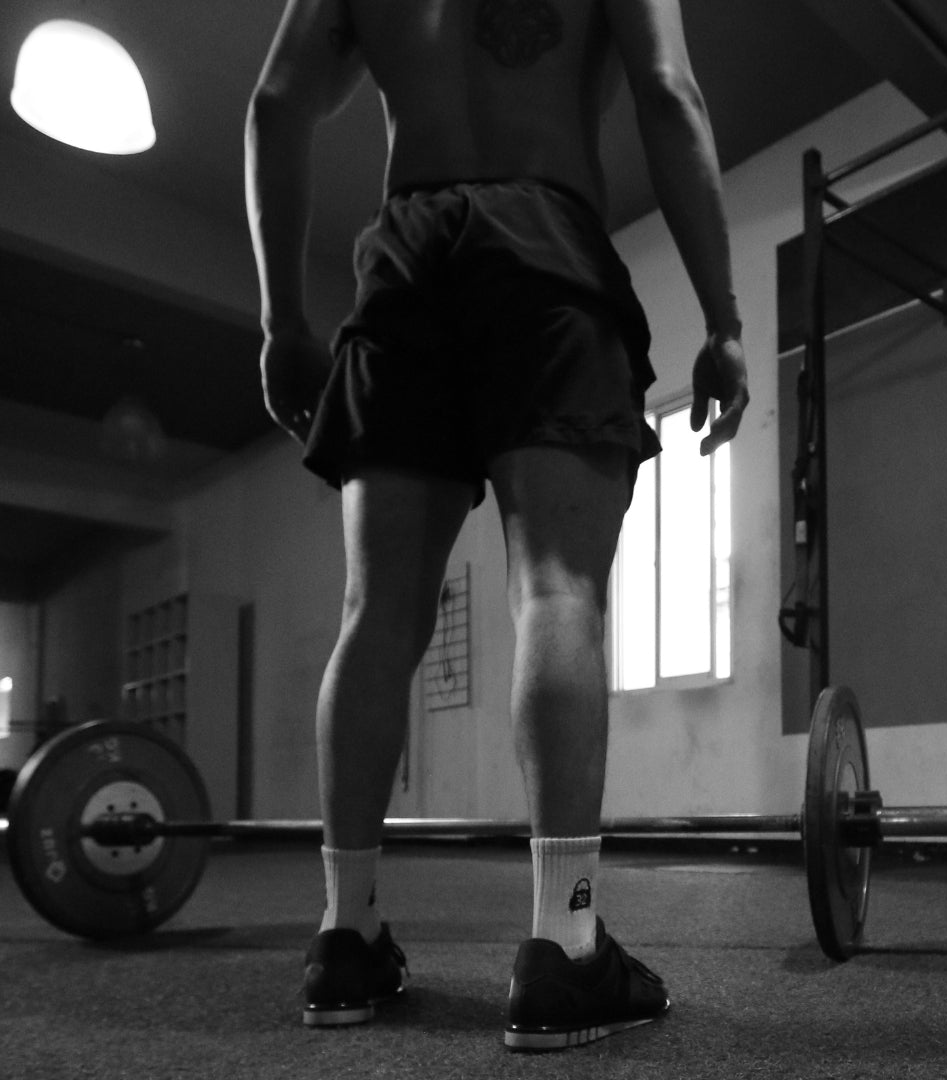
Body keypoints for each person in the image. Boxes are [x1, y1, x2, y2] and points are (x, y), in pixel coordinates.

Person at [244, 0, 748, 1051]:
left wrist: (283, 324)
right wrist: (726, 318)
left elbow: (276, 105)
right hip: (545, 245)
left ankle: (347, 934)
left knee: (377, 611)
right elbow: (667, 91)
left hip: (404, 261)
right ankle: (563, 948)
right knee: (558, 588)